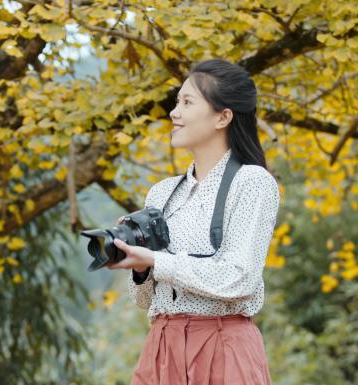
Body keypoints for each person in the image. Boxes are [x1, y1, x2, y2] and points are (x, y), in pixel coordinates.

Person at [106, 58, 280, 385]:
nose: (174, 112)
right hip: (161, 347)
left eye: (187, 102)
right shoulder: (162, 194)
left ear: (222, 117)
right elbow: (144, 301)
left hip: (222, 346)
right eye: (176, 102)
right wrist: (140, 267)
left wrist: (157, 260)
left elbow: (239, 279)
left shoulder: (252, 182)